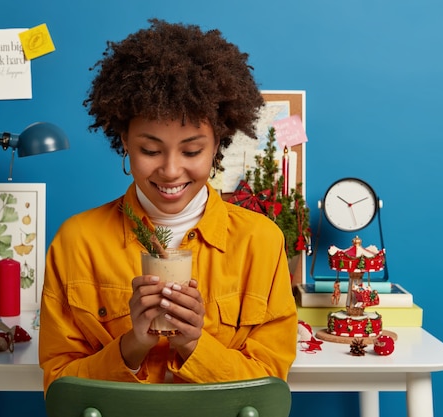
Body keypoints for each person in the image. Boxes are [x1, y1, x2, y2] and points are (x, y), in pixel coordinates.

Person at [39, 19, 298, 392]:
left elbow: (270, 384)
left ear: (218, 145)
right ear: (124, 140)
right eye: (150, 150)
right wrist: (133, 345)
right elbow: (58, 384)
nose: (171, 170)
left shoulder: (261, 242)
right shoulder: (76, 242)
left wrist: (194, 344)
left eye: (192, 150)